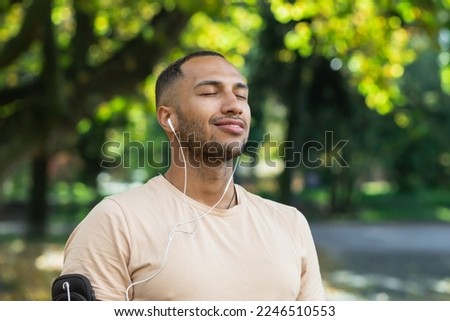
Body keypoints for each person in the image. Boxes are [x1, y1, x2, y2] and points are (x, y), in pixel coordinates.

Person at [60, 50, 326, 301]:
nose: (234, 105)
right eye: (210, 92)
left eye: (242, 96)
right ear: (168, 118)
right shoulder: (115, 222)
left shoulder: (291, 225)